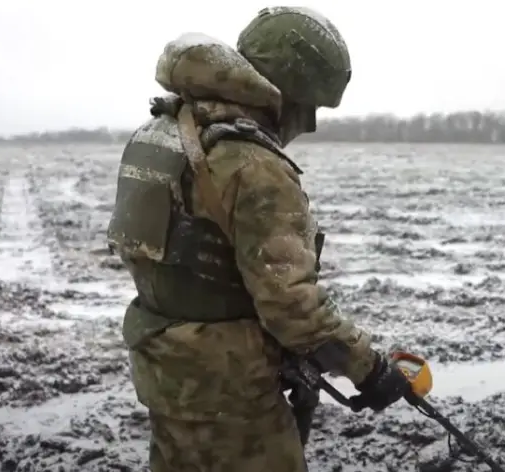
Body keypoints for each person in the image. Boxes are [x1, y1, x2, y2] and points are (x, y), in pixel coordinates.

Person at [106, 6, 412, 472]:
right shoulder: (253, 164)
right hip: (230, 393)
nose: (308, 125)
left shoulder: (163, 130)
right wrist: (371, 369)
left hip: (167, 371)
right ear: (289, 91)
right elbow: (293, 306)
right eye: (310, 107)